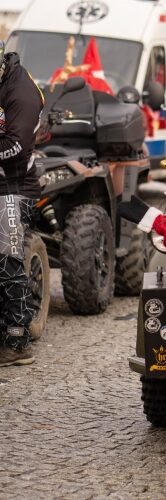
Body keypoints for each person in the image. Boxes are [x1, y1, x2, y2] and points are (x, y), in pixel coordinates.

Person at [0, 44, 45, 367]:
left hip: (14, 188)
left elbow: (15, 146)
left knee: (7, 260)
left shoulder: (21, 92)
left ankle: (18, 343)